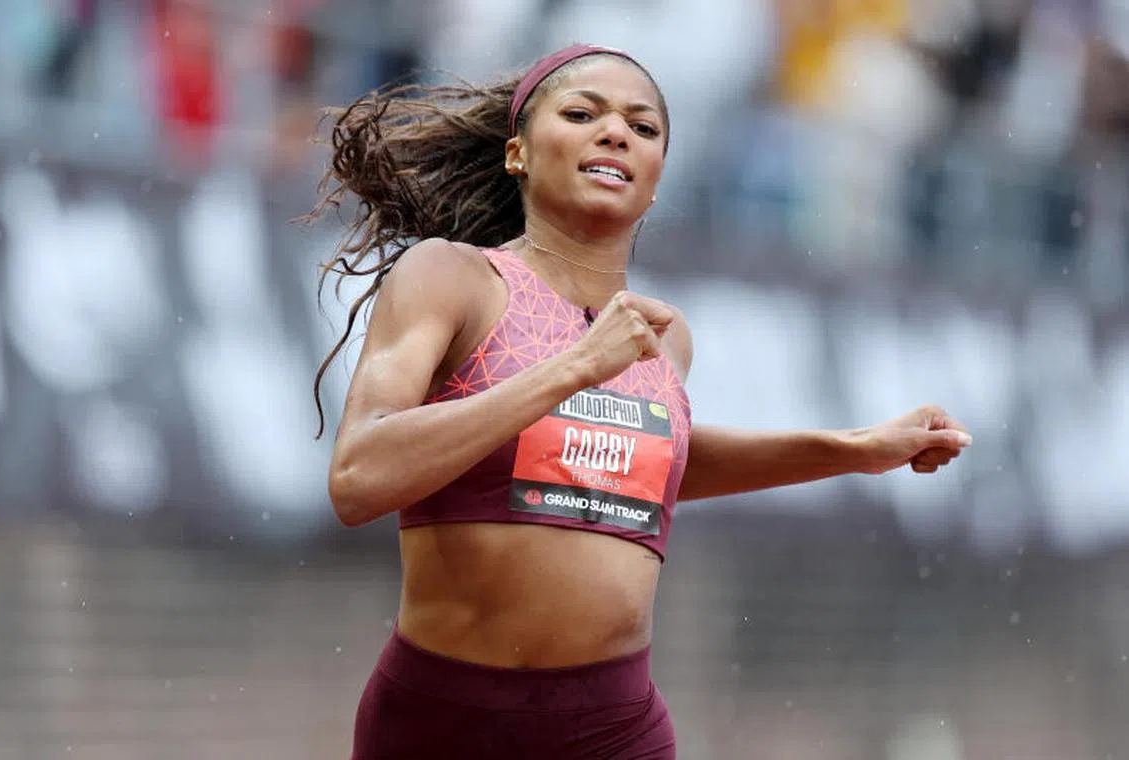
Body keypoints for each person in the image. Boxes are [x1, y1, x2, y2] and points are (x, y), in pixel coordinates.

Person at [306, 43, 972, 760]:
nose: (616, 132)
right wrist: (574, 369)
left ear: (654, 181)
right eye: (582, 112)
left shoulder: (662, 336)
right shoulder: (450, 278)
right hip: (444, 721)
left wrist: (854, 450)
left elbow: (653, 469)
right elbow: (359, 478)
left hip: (613, 729)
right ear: (517, 154)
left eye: (643, 126)